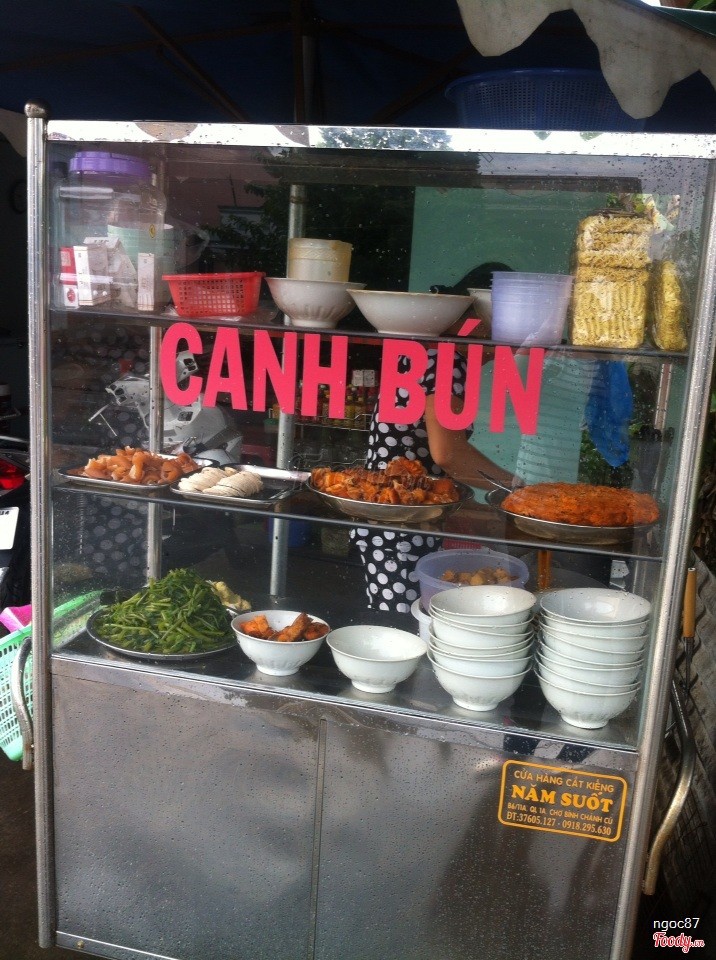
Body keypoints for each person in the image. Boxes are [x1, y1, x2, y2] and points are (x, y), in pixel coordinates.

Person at [350, 321, 517, 616]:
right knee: (407, 624)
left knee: (401, 619)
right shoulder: (446, 363)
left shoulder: (424, 355)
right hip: (404, 524)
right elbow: (448, 453)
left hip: (393, 521)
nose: (508, 347)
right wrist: (515, 487)